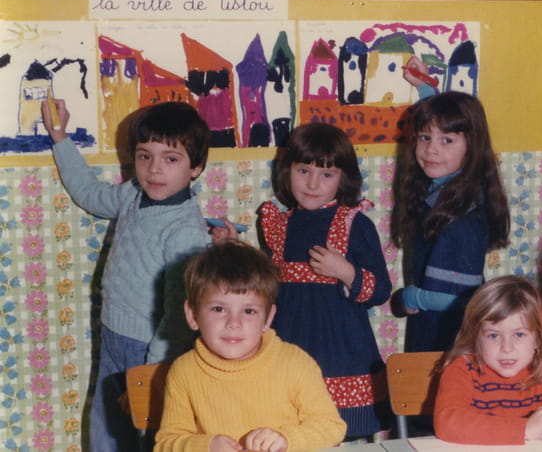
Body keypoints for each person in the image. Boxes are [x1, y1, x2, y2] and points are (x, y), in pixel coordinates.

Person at [41, 99, 212, 452]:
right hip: (112, 335)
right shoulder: (132, 193)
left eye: (171, 159)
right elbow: (90, 194)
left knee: (153, 436)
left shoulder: (185, 231)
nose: (154, 169)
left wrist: (154, 371)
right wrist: (60, 139)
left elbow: (178, 316)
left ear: (196, 167)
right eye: (144, 155)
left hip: (151, 349)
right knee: (106, 430)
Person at [257, 122, 392, 440]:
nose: (313, 183)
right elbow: (266, 285)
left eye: (326, 174)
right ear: (287, 170)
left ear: (343, 178)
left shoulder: (354, 223)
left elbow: (381, 290)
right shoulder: (279, 224)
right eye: (303, 170)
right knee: (293, 428)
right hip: (290, 341)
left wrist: (345, 272)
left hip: (342, 346)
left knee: (347, 425)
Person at [154, 240, 346, 452]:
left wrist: (286, 439)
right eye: (219, 309)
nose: (234, 323)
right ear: (192, 315)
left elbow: (332, 427)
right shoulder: (183, 372)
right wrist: (205, 446)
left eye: (249, 311)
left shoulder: (295, 363)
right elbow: (165, 444)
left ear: (268, 318)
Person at [390, 58, 511, 352]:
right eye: (424, 137)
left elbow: (458, 297)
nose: (431, 149)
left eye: (447, 141)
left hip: (447, 335)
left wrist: (410, 298)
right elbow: (441, 127)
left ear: (472, 146)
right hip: (437, 327)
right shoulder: (453, 188)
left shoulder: (463, 218)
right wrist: (426, 88)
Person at [434, 276, 542, 452]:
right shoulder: (462, 370)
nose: (507, 348)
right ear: (475, 338)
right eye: (494, 335)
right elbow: (447, 422)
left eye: (519, 334)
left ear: (538, 339)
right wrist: (524, 429)